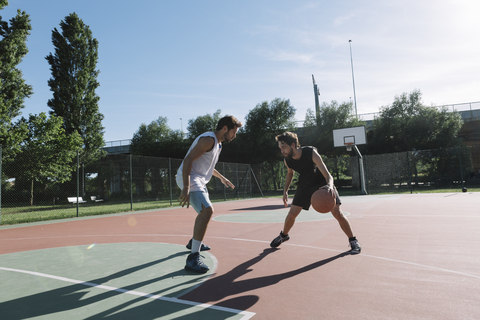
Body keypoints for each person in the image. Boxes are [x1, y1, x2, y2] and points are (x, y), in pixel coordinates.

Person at [270, 132, 361, 254]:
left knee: (337, 213)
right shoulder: (288, 160)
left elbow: (328, 175)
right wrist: (285, 191)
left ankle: (353, 240)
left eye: (283, 147)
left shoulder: (311, 153)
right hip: (305, 185)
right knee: (292, 213)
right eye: (280, 148)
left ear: (292, 145)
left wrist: (329, 186)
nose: (282, 151)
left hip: (322, 183)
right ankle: (284, 235)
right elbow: (290, 173)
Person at [176, 115, 242, 273]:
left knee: (203, 213)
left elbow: (209, 166)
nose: (234, 136)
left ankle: (194, 242)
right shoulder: (208, 140)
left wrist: (222, 178)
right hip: (190, 177)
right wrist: (185, 187)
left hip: (198, 179)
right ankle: (193, 258)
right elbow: (188, 160)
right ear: (225, 128)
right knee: (207, 211)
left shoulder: (218, 145)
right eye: (233, 132)